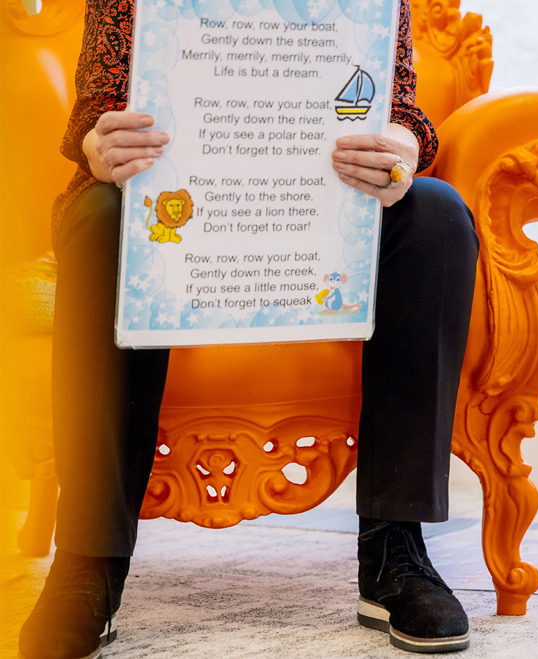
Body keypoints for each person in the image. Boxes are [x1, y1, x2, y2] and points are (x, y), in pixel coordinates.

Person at [18, 1, 478, 657]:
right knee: (97, 215)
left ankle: (394, 552)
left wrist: (400, 145)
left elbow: (397, 107)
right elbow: (94, 115)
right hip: (173, 212)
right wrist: (100, 146)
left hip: (319, 216)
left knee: (435, 210)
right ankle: (88, 566)